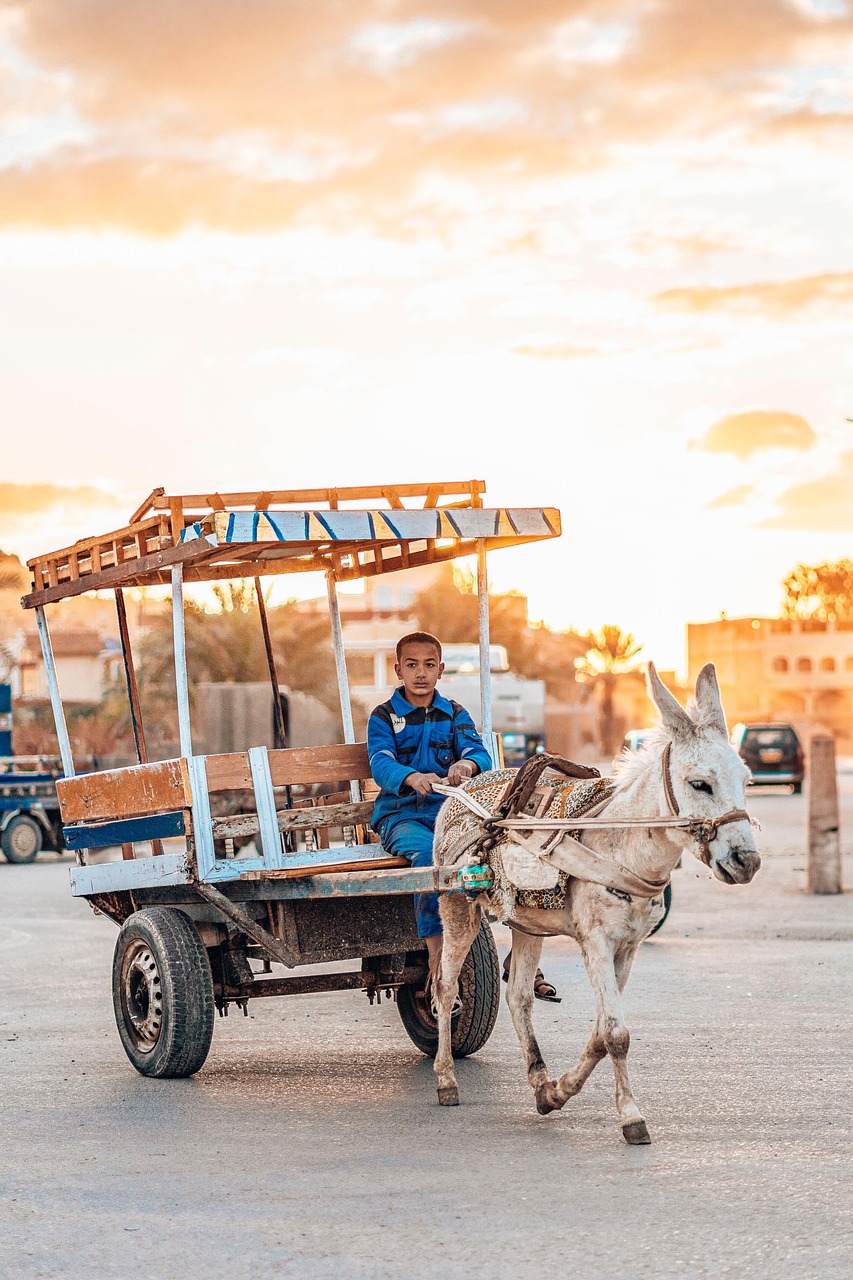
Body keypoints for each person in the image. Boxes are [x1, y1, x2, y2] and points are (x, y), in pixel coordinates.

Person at [367, 631, 559, 1000]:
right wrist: (411, 777)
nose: (420, 673)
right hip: (403, 818)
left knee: (507, 856)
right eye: (411, 665)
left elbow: (478, 751)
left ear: (440, 670)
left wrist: (467, 764)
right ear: (398, 670)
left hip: (453, 816)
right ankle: (438, 952)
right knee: (431, 861)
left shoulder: (455, 714)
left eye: (428, 665)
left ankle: (520, 955)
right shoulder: (384, 717)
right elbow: (380, 762)